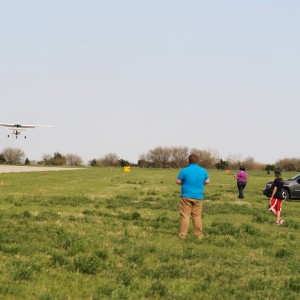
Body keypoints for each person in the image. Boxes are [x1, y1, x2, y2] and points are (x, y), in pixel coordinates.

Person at [176, 154, 210, 240]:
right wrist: (201, 183)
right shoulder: (203, 171)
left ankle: (183, 235)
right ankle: (199, 235)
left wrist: (184, 182)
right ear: (197, 161)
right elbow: (207, 181)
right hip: (198, 197)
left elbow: (178, 181)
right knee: (197, 216)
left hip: (186, 196)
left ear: (189, 160)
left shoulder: (184, 170)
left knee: (185, 216)